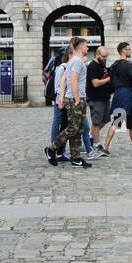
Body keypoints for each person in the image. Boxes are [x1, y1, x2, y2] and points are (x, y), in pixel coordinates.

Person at [45, 37, 92, 168]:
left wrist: (63, 98)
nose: (88, 48)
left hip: (76, 98)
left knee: (78, 129)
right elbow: (74, 80)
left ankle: (76, 158)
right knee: (73, 128)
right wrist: (77, 99)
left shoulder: (73, 60)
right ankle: (51, 149)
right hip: (76, 99)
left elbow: (65, 78)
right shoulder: (76, 61)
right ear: (81, 46)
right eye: (86, 45)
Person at [85, 45, 112, 159]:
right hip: (95, 98)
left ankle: (91, 136)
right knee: (96, 122)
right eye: (103, 56)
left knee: (106, 119)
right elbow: (95, 83)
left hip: (105, 97)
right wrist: (110, 78)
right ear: (97, 54)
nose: (105, 59)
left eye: (106, 57)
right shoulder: (92, 66)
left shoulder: (103, 65)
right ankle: (96, 144)